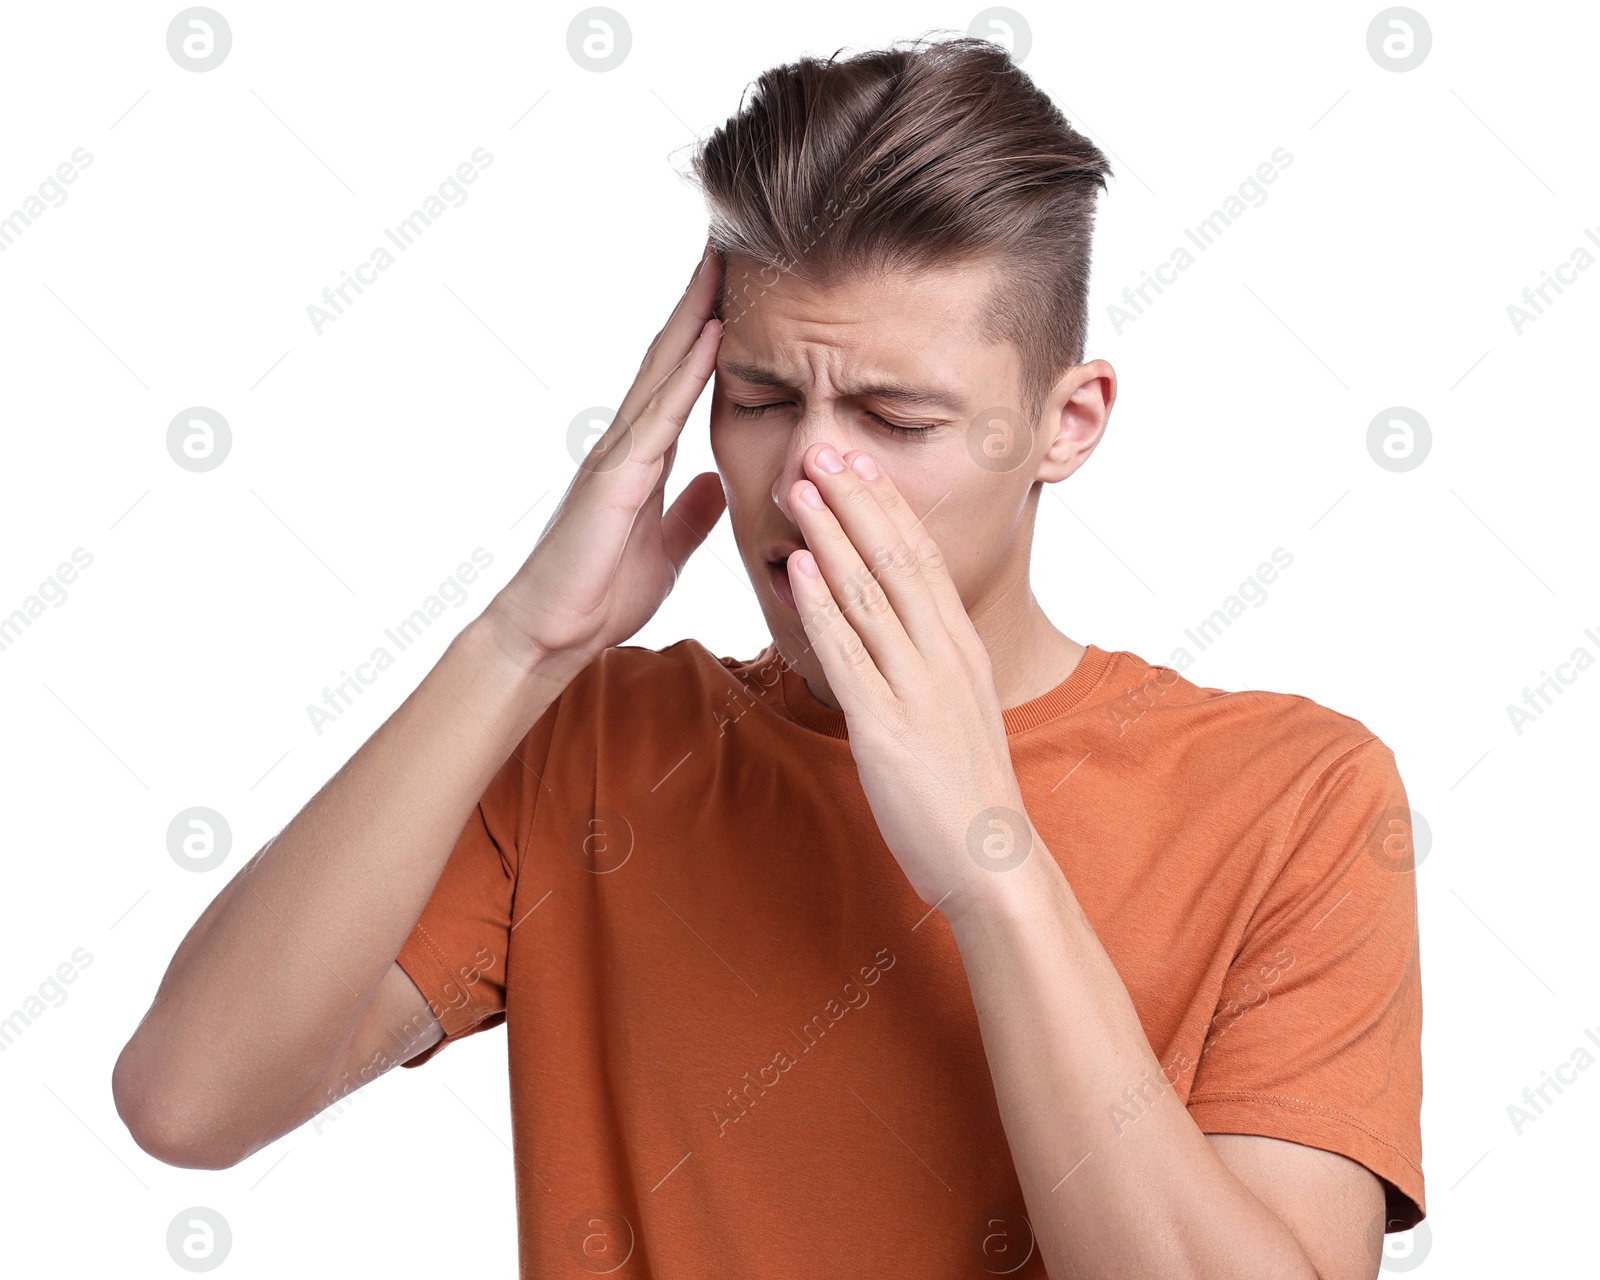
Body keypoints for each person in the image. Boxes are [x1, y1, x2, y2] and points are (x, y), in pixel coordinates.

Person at [112, 34, 1424, 1279]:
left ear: (1064, 425)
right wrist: (522, 643)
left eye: (893, 416)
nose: (805, 477)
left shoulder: (1295, 795)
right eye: (759, 400)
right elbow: (188, 1103)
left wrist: (990, 861)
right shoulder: (597, 739)